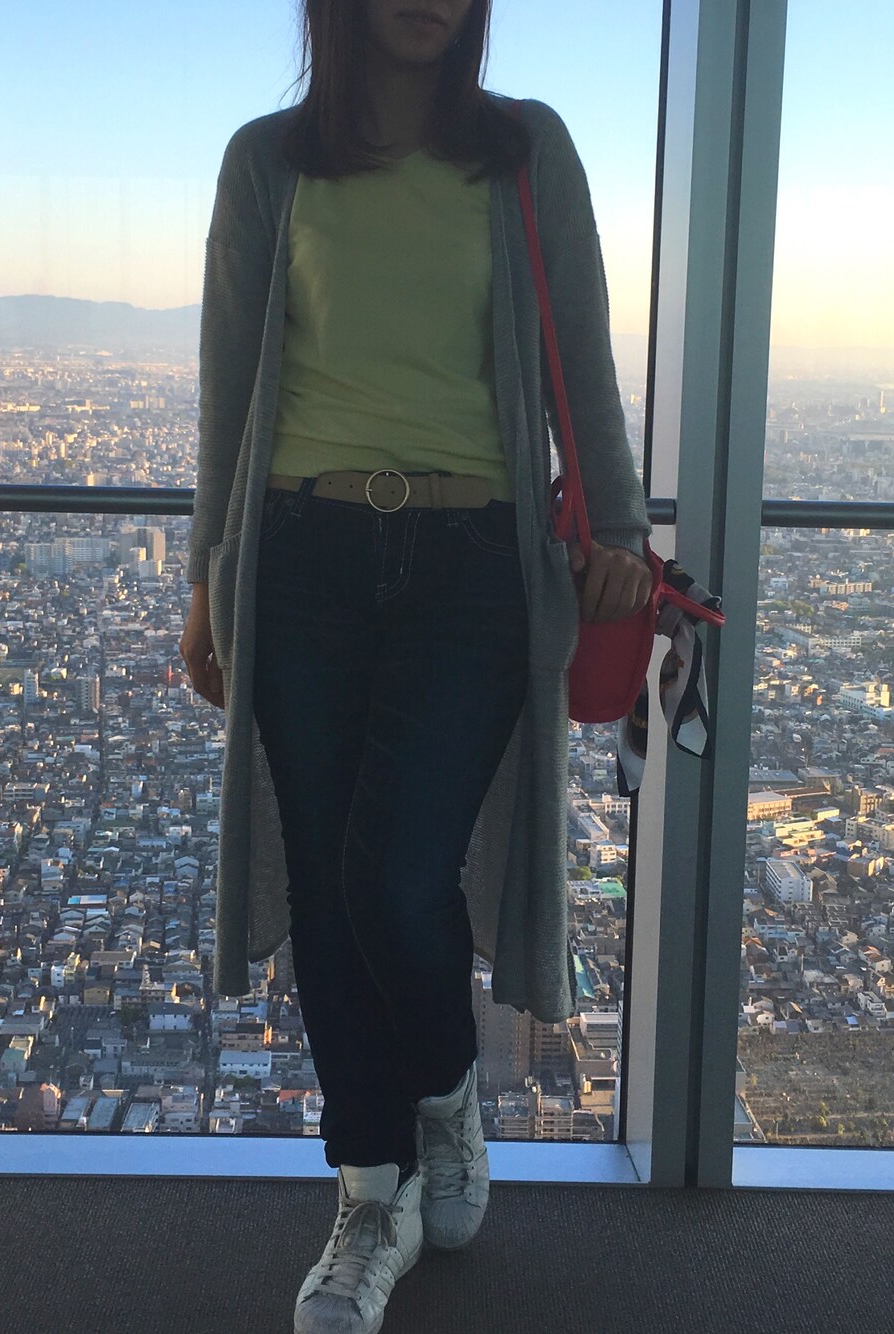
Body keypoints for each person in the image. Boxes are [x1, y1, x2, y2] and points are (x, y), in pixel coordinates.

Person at [179, 1, 653, 1329]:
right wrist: (208, 580)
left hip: (472, 559)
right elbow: (229, 389)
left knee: (392, 870)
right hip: (302, 553)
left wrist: (619, 532)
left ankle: (446, 1093)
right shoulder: (268, 162)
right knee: (327, 887)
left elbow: (585, 361)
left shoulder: (525, 151)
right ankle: (370, 1190)